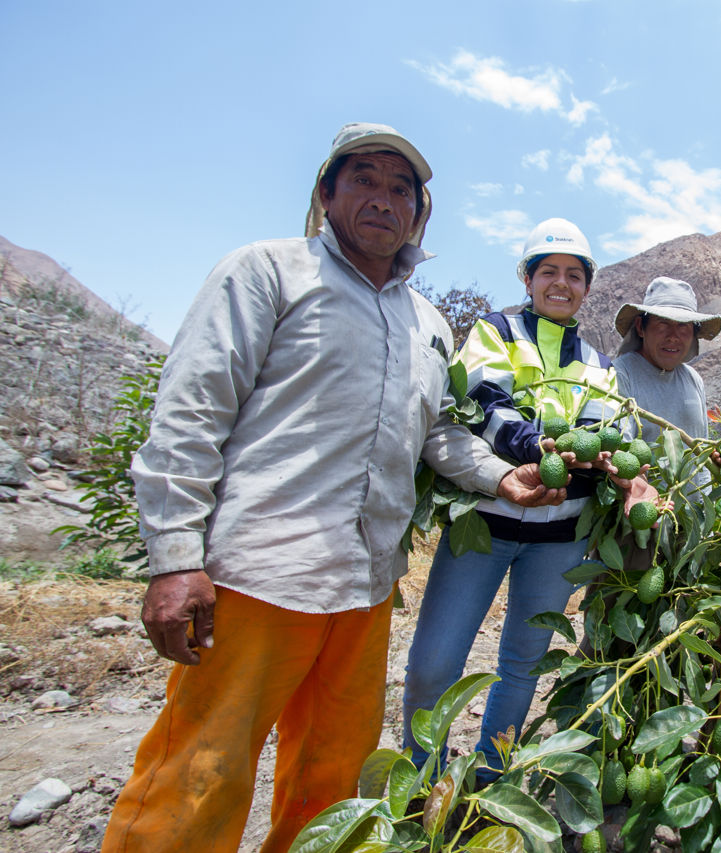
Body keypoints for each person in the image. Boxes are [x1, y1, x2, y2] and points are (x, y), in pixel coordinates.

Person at [102, 123, 562, 853]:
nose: (384, 199)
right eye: (365, 180)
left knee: (333, 777)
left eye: (401, 189)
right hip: (259, 578)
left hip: (365, 587)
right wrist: (174, 556)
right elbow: (192, 412)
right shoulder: (267, 274)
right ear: (326, 194)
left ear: (419, 212)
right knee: (200, 773)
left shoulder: (427, 322)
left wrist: (501, 475)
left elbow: (438, 432)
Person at [401, 218, 657, 784]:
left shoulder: (598, 362)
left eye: (574, 274)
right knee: (433, 664)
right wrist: (536, 443)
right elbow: (483, 400)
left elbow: (604, 430)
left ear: (587, 286)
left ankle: (491, 781)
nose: (560, 284)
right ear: (527, 277)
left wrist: (610, 465)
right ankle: (420, 786)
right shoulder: (495, 331)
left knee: (522, 664)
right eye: (549, 272)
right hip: (486, 526)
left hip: (559, 540)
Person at [612, 275, 721, 444]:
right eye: (663, 323)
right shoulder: (620, 374)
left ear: (694, 333)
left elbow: (701, 450)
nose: (673, 337)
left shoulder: (693, 379)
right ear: (641, 327)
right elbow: (621, 453)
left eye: (683, 325)